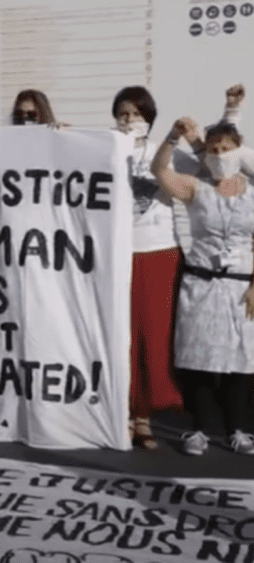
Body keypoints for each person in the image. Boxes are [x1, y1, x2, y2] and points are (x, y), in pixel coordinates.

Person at [151, 118, 254, 456]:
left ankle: (236, 428)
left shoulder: (253, 192)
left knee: (240, 361)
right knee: (198, 360)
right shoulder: (196, 187)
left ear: (239, 149)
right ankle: (198, 429)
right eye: (214, 150)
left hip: (240, 286)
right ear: (206, 154)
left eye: (227, 149)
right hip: (201, 282)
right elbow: (160, 171)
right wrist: (172, 137)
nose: (221, 155)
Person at [111, 86, 184, 450]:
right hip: (119, 255)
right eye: (123, 114)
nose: (129, 121)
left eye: (136, 114)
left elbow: (215, 164)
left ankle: (145, 418)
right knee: (123, 338)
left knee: (152, 339)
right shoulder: (105, 150)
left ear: (149, 119)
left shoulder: (165, 152)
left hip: (160, 253)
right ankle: (123, 413)